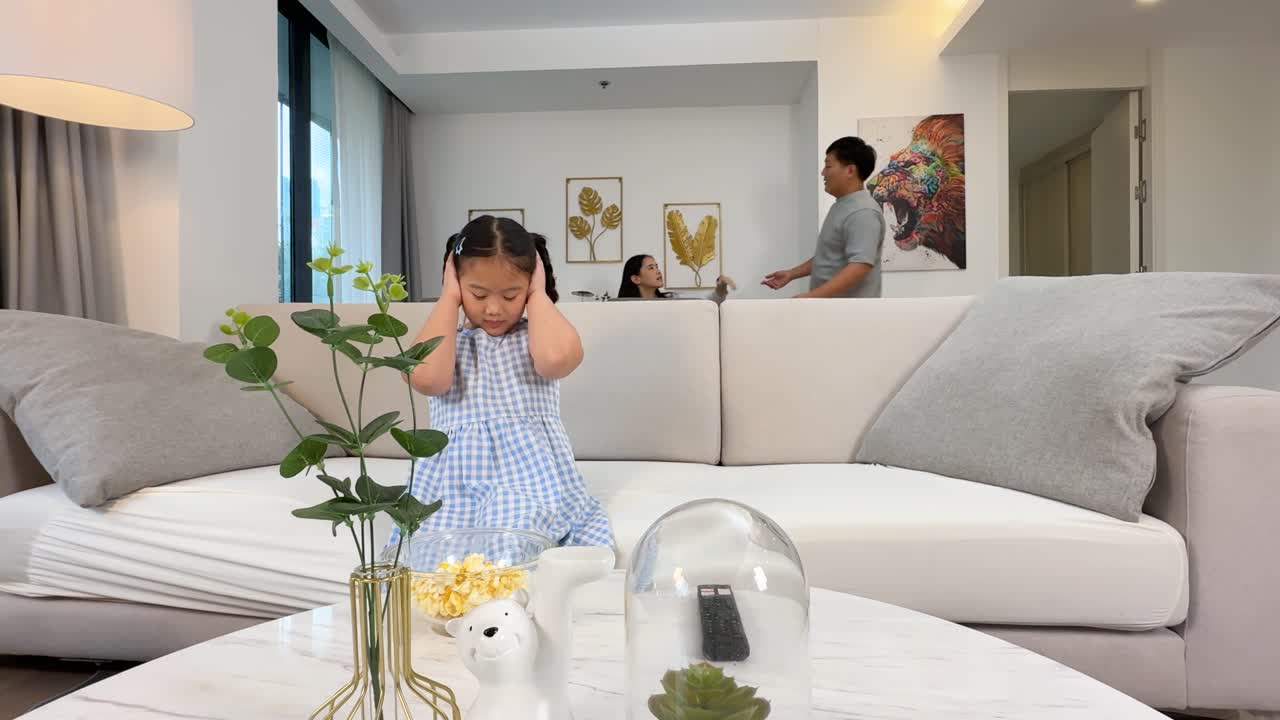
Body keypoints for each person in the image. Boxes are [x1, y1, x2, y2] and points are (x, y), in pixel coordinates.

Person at [393, 215, 613, 549]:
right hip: (453, 484)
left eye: (511, 295)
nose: (494, 309)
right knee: (434, 555)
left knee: (512, 539)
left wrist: (538, 295)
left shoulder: (536, 337)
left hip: (527, 481)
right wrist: (449, 298)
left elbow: (555, 361)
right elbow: (428, 380)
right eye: (478, 294)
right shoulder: (450, 341)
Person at [762, 136, 886, 298]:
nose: (823, 172)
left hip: (849, 316)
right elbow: (829, 257)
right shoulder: (843, 205)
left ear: (850, 170)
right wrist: (791, 274)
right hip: (830, 312)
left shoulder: (863, 212)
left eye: (828, 166)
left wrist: (811, 297)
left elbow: (859, 266)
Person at [617, 254, 736, 303]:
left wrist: (721, 288)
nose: (658, 271)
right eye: (651, 268)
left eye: (657, 267)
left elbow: (706, 301)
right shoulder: (622, 308)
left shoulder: (672, 299)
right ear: (636, 279)